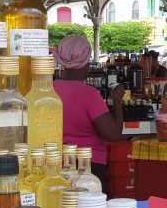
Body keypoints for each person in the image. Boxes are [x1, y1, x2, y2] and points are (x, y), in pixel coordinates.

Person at [53, 36, 124, 184]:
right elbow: (114, 133)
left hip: (56, 161)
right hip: (89, 166)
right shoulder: (89, 94)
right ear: (86, 63)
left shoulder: (49, 90)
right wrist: (117, 100)